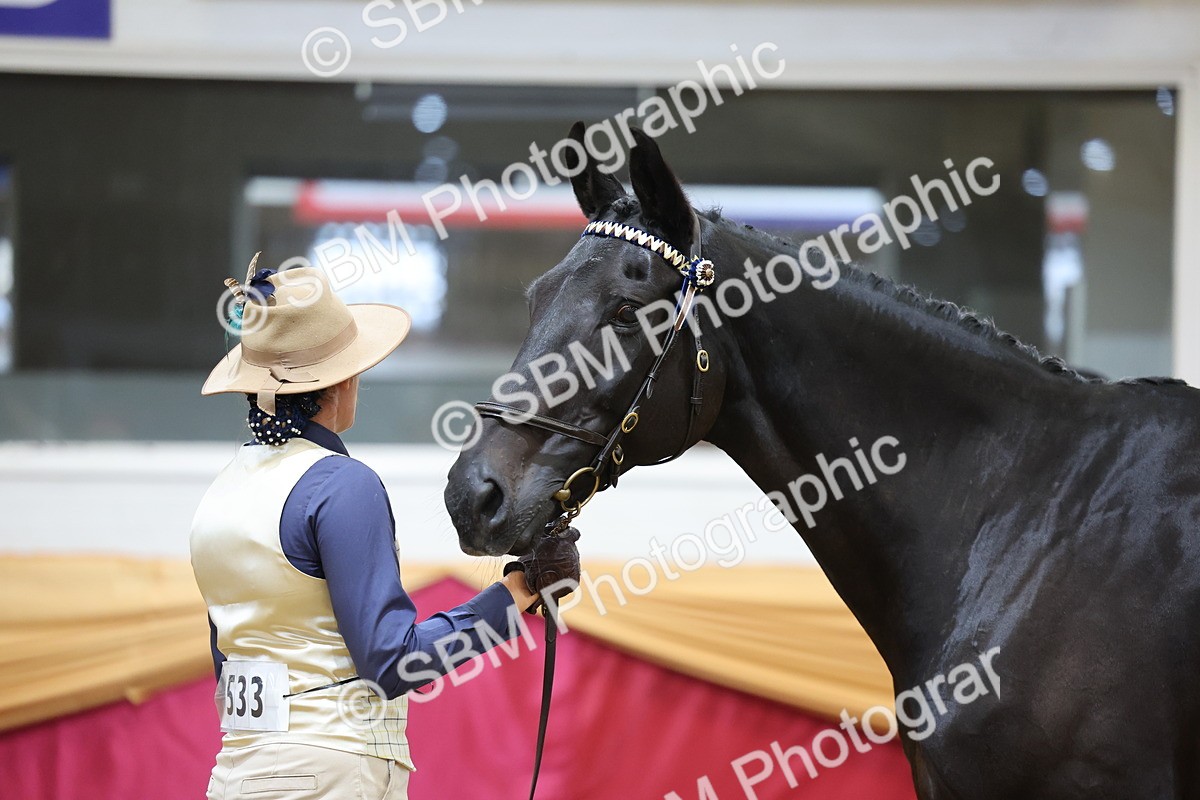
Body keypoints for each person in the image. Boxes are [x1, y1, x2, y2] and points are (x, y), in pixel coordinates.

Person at [190, 261, 579, 800]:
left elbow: (228, 663)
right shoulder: (343, 486)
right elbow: (394, 662)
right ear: (342, 381)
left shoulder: (219, 495)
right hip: (333, 768)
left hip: (238, 767)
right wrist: (515, 595)